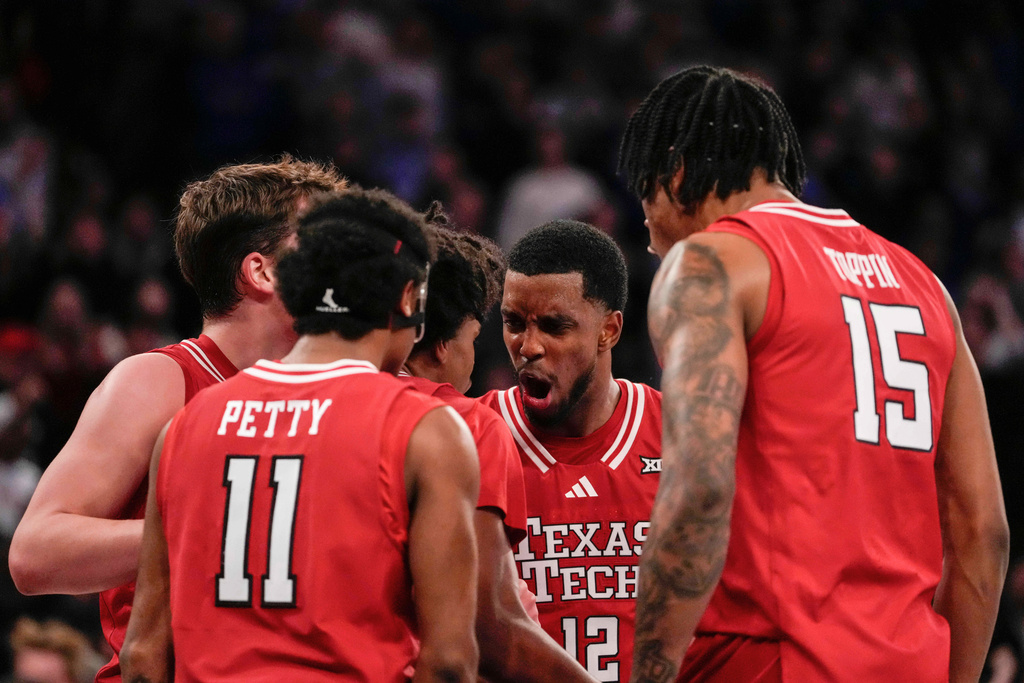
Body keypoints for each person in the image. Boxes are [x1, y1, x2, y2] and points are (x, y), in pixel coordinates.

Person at [617, 65, 1009, 682]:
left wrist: (649, 675)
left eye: (645, 197)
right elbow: (983, 531)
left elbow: (698, 488)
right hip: (908, 663)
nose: (646, 235)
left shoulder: (711, 265)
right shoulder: (926, 286)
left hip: (771, 659)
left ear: (677, 172)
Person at [9, 156, 349, 682]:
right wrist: (209, 530)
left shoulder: (339, 393)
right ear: (262, 270)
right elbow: (35, 553)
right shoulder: (159, 380)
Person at [120, 188, 480, 682]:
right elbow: (449, 663)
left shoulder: (184, 426)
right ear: (407, 300)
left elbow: (141, 655)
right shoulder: (425, 430)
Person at [400, 212, 595, 682]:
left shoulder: (311, 411)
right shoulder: (463, 422)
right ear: (443, 345)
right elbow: (489, 627)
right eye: (474, 336)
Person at [478, 220, 663, 682]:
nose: (529, 347)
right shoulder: (468, 436)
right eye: (514, 323)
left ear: (610, 330)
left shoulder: (680, 433)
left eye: (555, 327)